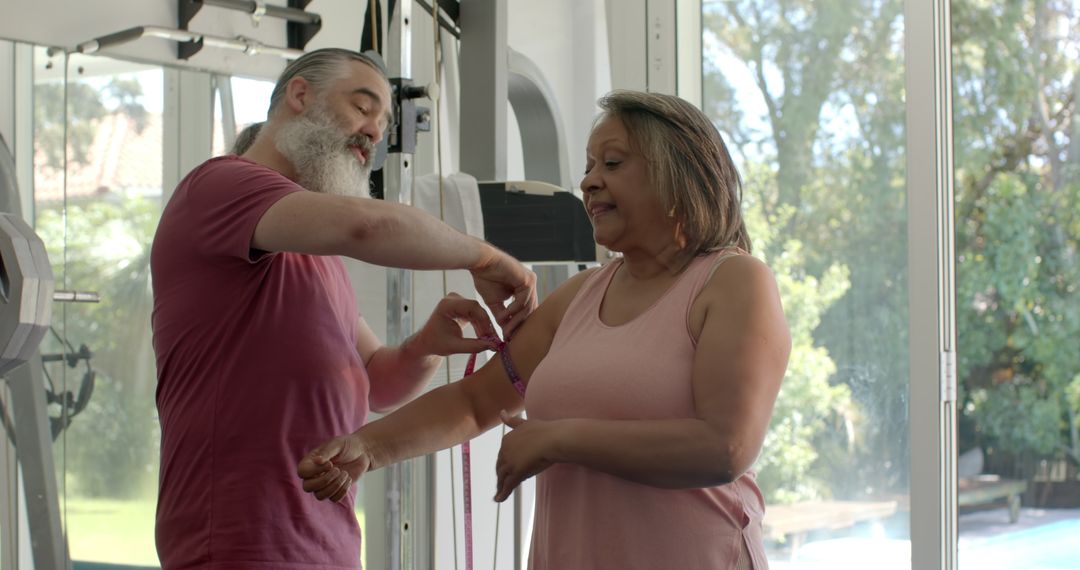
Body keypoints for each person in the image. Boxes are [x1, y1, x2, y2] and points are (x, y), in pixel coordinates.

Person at [298, 90, 792, 569]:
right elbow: (475, 403)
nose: (590, 183)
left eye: (613, 164)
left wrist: (558, 439)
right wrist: (366, 447)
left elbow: (724, 448)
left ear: (677, 174)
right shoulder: (579, 296)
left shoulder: (733, 281)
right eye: (588, 168)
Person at [151, 48, 537, 570]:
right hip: (241, 542)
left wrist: (425, 346)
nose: (374, 133)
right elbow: (368, 225)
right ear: (300, 94)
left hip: (325, 544)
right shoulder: (219, 185)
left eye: (382, 123)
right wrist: (486, 257)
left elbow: (377, 383)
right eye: (362, 106)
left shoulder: (318, 260)